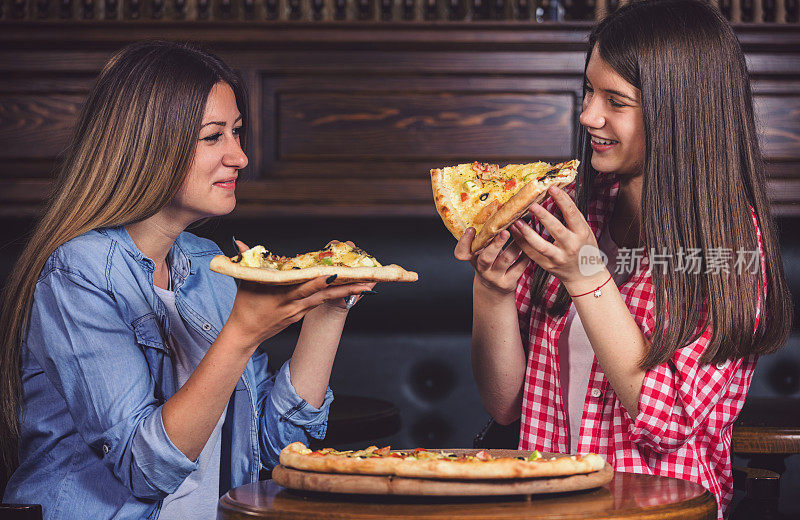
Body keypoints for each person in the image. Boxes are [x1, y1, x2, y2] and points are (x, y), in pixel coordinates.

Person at [0, 41, 373, 519]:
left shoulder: (208, 265)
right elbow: (143, 468)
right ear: (149, 144)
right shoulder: (79, 272)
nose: (239, 156)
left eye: (237, 133)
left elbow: (273, 449)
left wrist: (327, 310)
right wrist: (242, 332)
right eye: (213, 136)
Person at [455, 0, 792, 517]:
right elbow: (503, 405)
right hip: (542, 502)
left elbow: (669, 423)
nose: (588, 114)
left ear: (681, 111)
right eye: (590, 89)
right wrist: (492, 293)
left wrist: (587, 276)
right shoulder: (566, 209)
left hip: (658, 507)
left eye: (616, 100)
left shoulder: (731, 245)